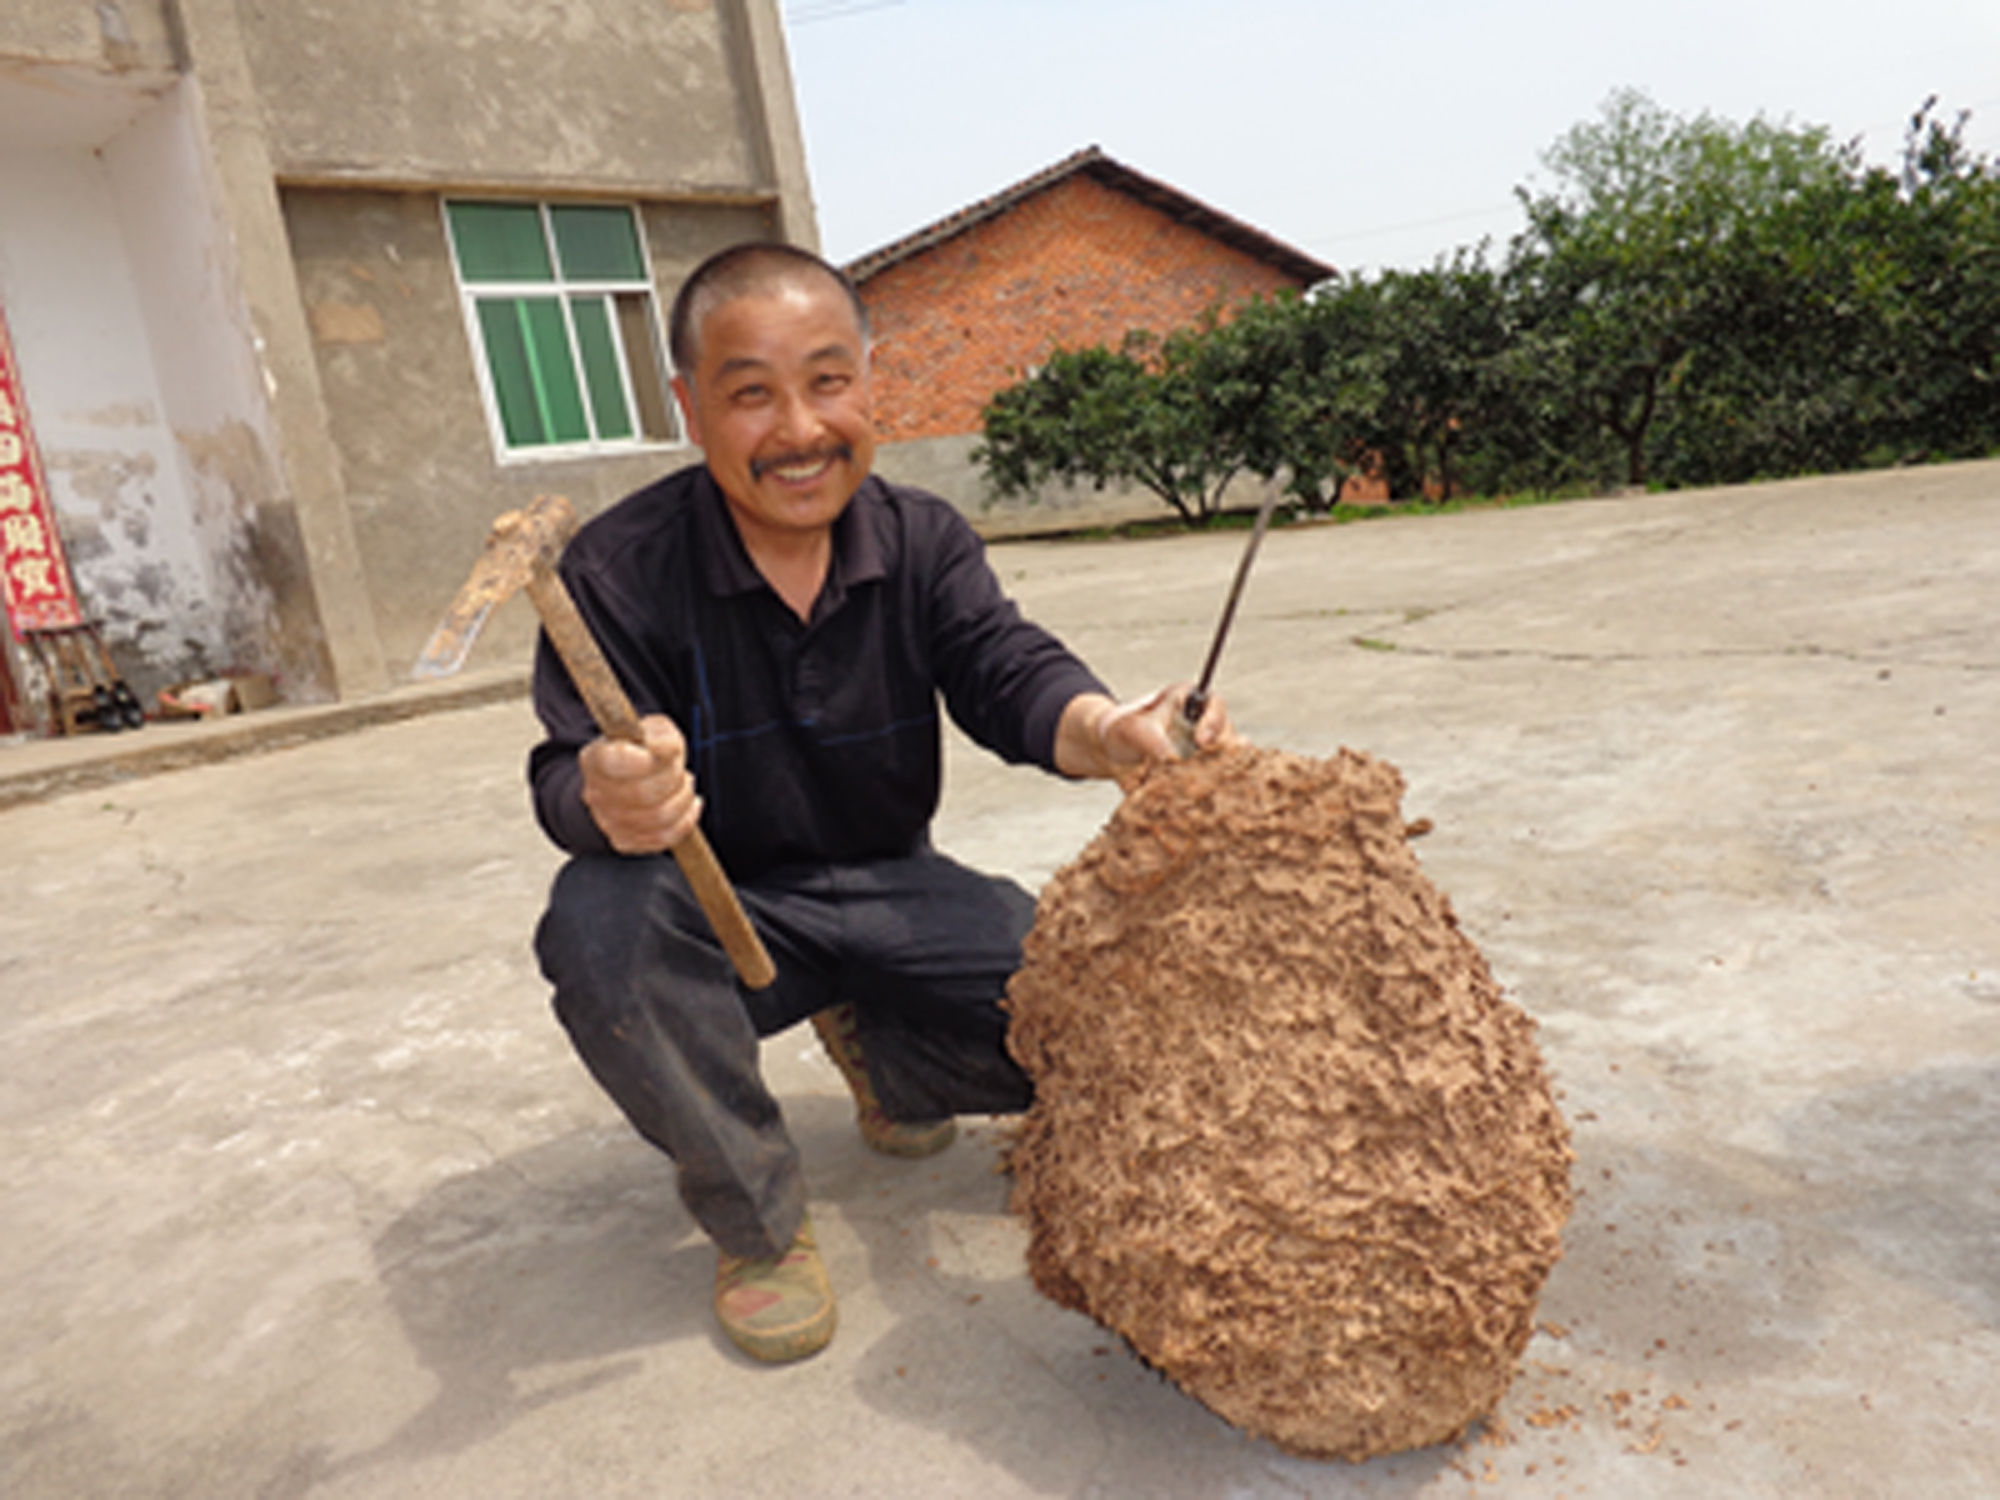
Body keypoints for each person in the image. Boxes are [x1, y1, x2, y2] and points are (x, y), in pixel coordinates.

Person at [528, 241, 1231, 1365]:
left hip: (895, 888)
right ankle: (757, 1224)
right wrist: (606, 795)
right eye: (751, 394)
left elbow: (1004, 668)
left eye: (828, 381)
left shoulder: (920, 539)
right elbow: (565, 772)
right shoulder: (616, 572)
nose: (800, 428)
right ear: (690, 408)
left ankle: (883, 1043)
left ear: (869, 382)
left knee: (1097, 1019)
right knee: (597, 926)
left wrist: (1110, 730)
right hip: (723, 919)